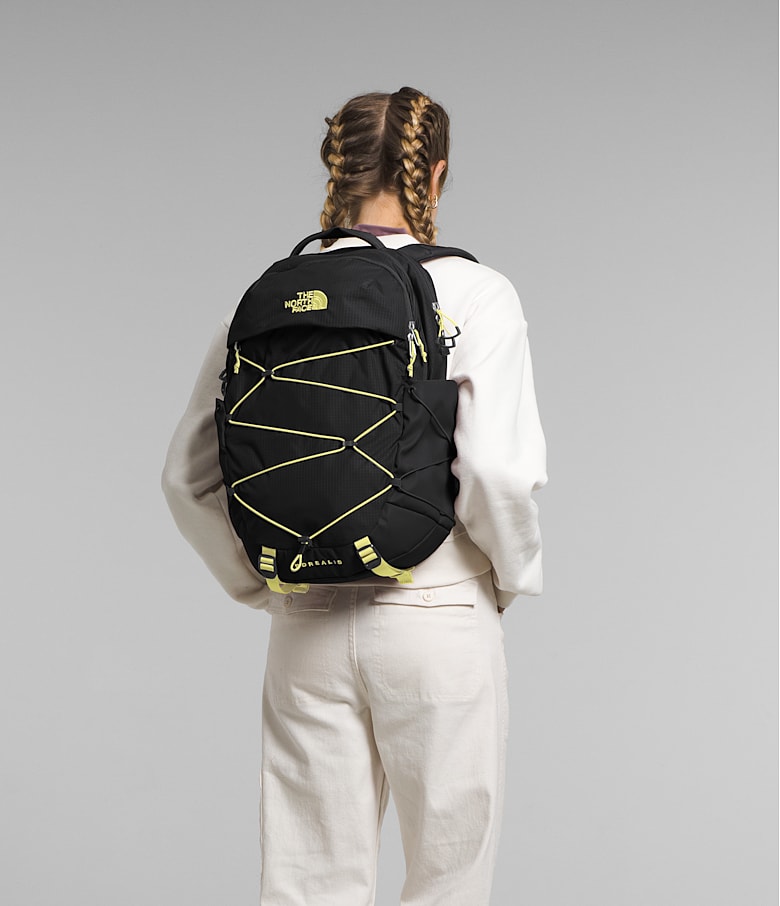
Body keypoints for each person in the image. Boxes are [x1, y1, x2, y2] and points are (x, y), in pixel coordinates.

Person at [161, 86, 548, 906]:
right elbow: (499, 473)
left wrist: (268, 586)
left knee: (307, 884)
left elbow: (186, 477)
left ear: (335, 171)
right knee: (448, 883)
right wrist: (503, 580)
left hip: (305, 621)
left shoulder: (265, 299)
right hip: (437, 609)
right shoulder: (477, 292)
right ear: (433, 176)